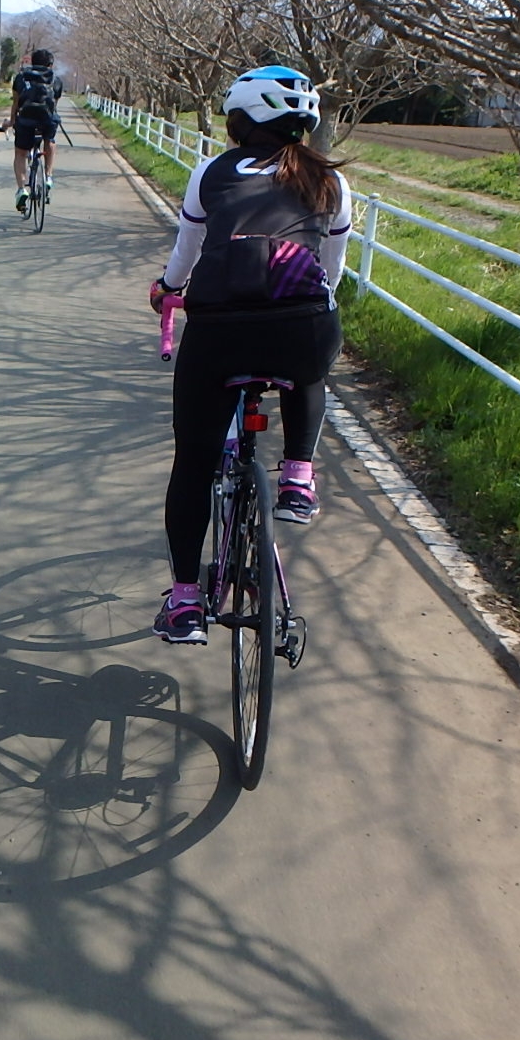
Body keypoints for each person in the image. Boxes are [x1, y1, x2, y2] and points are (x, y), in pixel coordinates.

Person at [146, 66, 351, 645]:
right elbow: (329, 275)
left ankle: (186, 602)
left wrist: (167, 287)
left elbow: (187, 252)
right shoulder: (329, 180)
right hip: (299, 331)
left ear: (240, 121)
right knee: (311, 358)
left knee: (193, 463)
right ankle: (297, 478)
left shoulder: (211, 172)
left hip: (219, 333)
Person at [9, 48, 64, 211]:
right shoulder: (56, 80)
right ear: (51, 64)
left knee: (20, 153)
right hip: (47, 120)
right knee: (50, 141)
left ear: (32, 62)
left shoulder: (21, 77)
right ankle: (48, 177)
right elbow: (54, 104)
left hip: (25, 120)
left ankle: (21, 189)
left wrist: (12, 121)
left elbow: (16, 103)